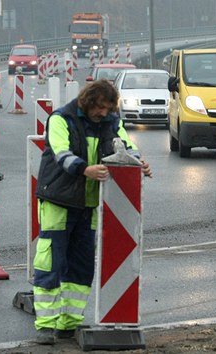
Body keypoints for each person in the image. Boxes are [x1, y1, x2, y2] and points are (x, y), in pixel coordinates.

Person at [32, 80, 152, 345]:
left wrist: (139, 162)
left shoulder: (110, 121)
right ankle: (45, 324)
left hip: (89, 204)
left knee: (82, 265)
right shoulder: (61, 118)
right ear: (88, 102)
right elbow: (61, 154)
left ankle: (68, 323)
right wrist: (85, 169)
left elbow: (126, 146)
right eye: (100, 107)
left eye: (108, 108)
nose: (103, 113)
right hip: (58, 201)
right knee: (50, 263)